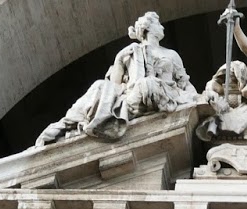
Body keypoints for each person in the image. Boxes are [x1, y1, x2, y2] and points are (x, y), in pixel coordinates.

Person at [36, 12, 197, 146]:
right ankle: (65, 125)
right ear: (148, 28)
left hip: (167, 94)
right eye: (158, 23)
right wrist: (120, 60)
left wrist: (198, 98)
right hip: (137, 97)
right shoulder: (130, 51)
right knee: (100, 86)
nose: (162, 27)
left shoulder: (171, 55)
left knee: (147, 83)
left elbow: (185, 83)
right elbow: (114, 85)